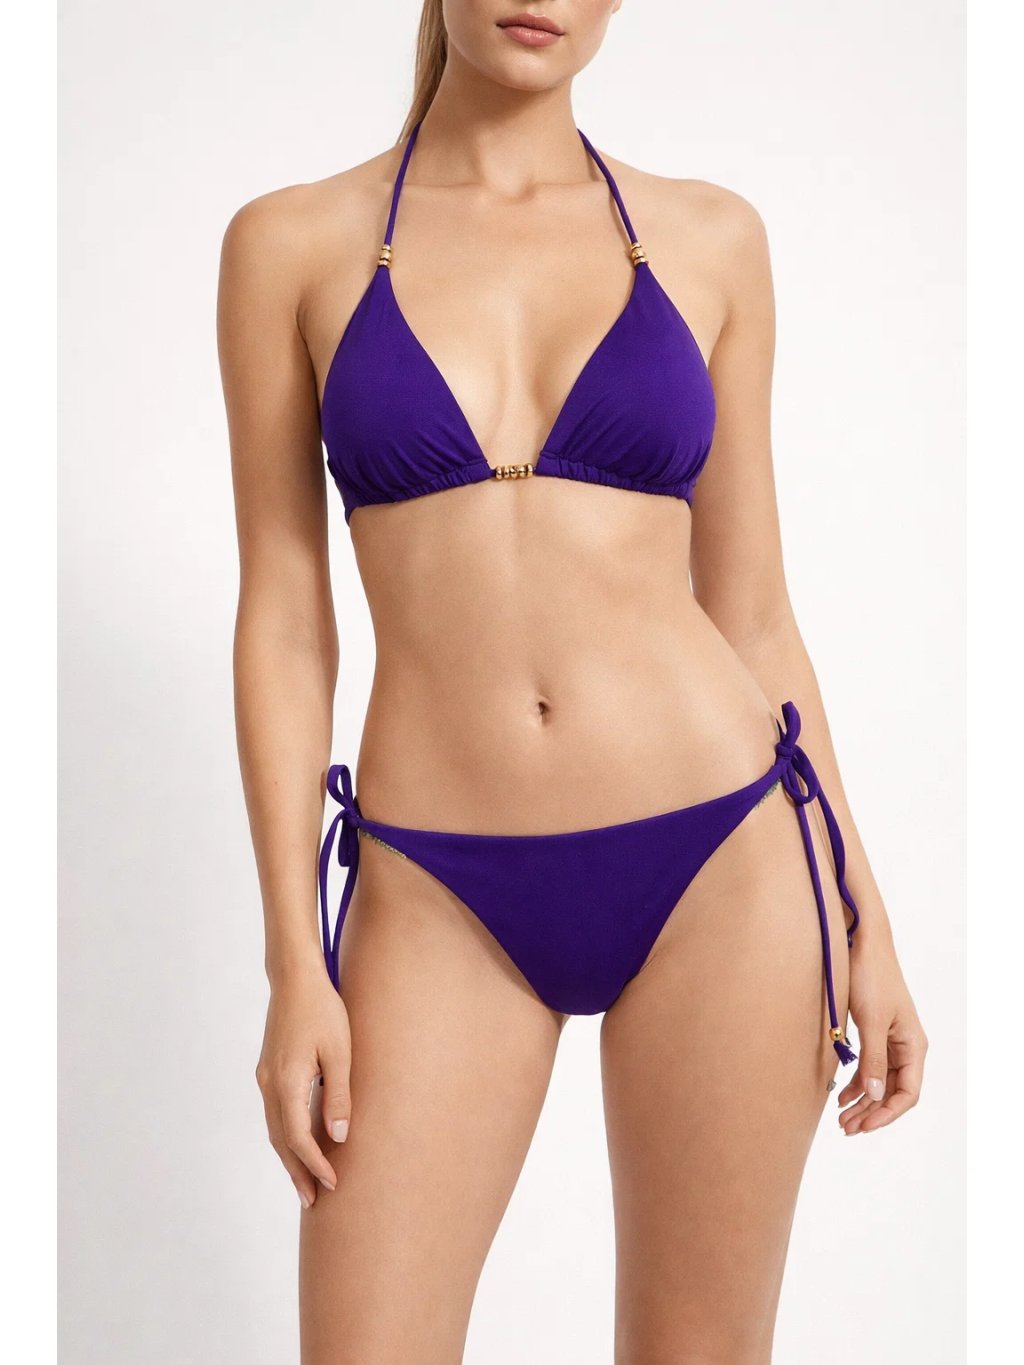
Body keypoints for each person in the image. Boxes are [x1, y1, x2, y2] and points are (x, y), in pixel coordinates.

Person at [217, 2, 928, 1360]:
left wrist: (863, 909)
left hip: (722, 859)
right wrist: (292, 963)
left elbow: (754, 611)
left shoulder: (710, 238)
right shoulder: (290, 244)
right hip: (437, 879)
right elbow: (286, 621)